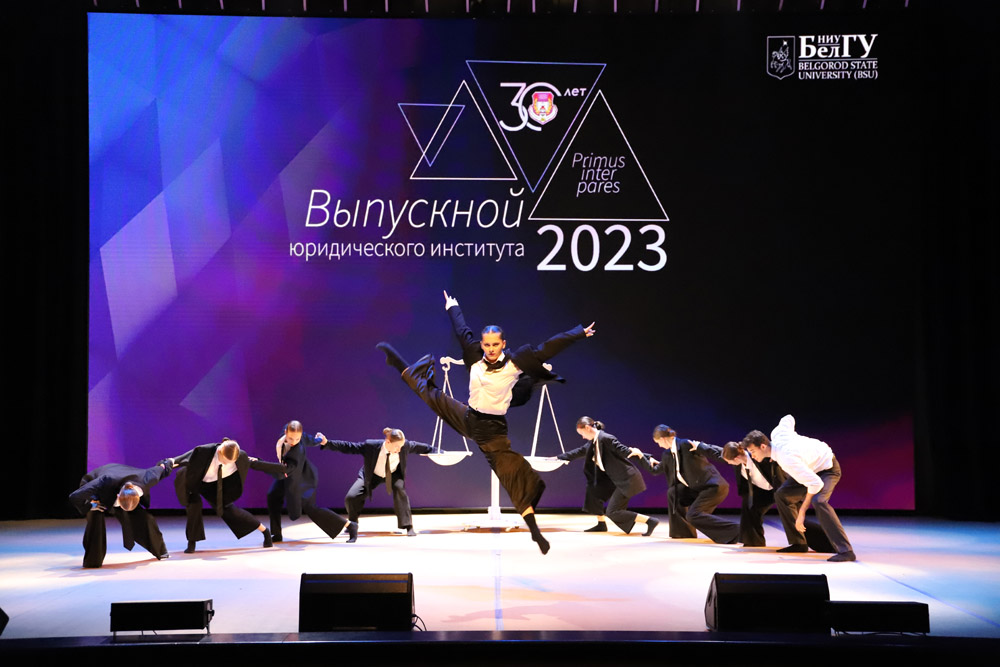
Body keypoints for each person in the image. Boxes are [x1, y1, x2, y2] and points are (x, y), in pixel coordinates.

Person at [377, 290, 595, 554]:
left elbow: (547, 348)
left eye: (495, 344)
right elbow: (462, 331)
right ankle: (397, 361)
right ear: (482, 344)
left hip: (493, 431)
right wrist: (452, 307)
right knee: (432, 396)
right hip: (469, 418)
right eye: (487, 344)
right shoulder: (474, 357)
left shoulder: (514, 364)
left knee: (514, 476)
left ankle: (535, 533)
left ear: (503, 344)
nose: (490, 349)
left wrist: (578, 333)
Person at [742, 416, 856, 562]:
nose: (752, 456)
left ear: (763, 446)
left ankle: (846, 551)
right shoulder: (777, 434)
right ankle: (799, 543)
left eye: (753, 451)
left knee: (819, 501)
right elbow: (788, 418)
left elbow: (816, 484)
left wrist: (801, 513)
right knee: (782, 495)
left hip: (827, 469)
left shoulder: (787, 459)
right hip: (809, 468)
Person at [170, 438, 285, 554]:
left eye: (229, 462)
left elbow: (258, 464)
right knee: (194, 506)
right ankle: (192, 542)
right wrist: (165, 465)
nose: (226, 464)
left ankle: (265, 531)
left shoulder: (240, 457)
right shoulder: (204, 451)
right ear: (219, 451)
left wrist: (283, 469)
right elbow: (181, 459)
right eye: (224, 461)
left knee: (230, 511)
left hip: (212, 486)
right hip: (193, 481)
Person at [628, 424, 739, 544]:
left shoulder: (686, 444)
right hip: (698, 489)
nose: (659, 445)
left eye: (658, 442)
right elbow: (655, 470)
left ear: (663, 439)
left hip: (712, 487)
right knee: (674, 492)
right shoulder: (668, 454)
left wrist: (702, 447)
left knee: (693, 515)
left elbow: (714, 451)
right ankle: (682, 532)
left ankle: (736, 531)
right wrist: (641, 457)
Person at [321, 427, 434, 541]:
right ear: (388, 442)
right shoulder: (371, 446)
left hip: (393, 474)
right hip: (373, 474)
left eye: (401, 446)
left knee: (400, 491)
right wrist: (327, 443)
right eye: (397, 446)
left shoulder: (405, 446)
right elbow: (349, 447)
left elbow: (425, 448)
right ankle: (353, 523)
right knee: (351, 497)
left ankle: (408, 526)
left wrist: (439, 452)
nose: (399, 449)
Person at [719, 441, 833, 552]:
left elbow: (776, 457)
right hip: (763, 492)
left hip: (781, 487)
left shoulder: (760, 456)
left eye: (729, 461)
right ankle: (753, 541)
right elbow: (714, 451)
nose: (728, 464)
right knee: (749, 506)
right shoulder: (738, 462)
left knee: (795, 517)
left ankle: (820, 544)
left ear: (737, 458)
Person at [556, 417, 658, 535]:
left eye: (582, 433)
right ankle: (601, 524)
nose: (582, 437)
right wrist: (557, 458)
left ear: (588, 428)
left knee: (613, 511)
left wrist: (648, 457)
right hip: (617, 479)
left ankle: (650, 521)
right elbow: (578, 452)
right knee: (594, 491)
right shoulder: (594, 442)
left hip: (627, 479)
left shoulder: (605, 438)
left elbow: (625, 451)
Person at [68, 459, 173, 568]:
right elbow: (75, 496)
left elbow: (163, 467)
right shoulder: (104, 480)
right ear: (118, 497)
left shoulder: (148, 477)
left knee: (143, 517)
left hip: (122, 478)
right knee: (96, 517)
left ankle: (160, 551)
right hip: (98, 490)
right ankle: (92, 561)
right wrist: (90, 505)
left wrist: (168, 462)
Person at [266, 421, 356, 543]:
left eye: (297, 439)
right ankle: (276, 533)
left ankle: (350, 525)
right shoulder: (286, 433)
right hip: (288, 474)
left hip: (302, 477)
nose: (294, 441)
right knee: (273, 495)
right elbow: (310, 440)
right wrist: (319, 439)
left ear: (300, 435)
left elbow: (309, 442)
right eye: (291, 438)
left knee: (310, 508)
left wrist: (258, 463)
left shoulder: (296, 451)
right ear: (285, 432)